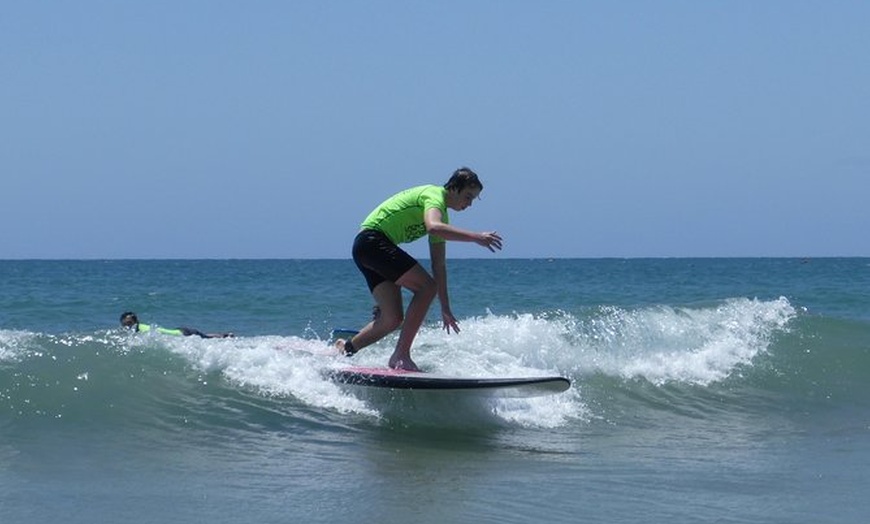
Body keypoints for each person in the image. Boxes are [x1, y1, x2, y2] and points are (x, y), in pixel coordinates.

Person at [335, 167, 503, 371]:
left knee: (392, 318)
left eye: (473, 200)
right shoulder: (434, 196)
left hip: (367, 249)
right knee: (425, 287)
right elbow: (432, 226)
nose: (469, 204)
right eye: (468, 197)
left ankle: (346, 348)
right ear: (454, 188)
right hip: (371, 241)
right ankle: (401, 355)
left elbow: (438, 265)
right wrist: (476, 237)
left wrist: (445, 307)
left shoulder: (444, 218)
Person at [120, 311, 233, 339]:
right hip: (180, 331)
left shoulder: (142, 328)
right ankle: (224, 335)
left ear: (135, 321)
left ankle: (225, 336)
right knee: (205, 337)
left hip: (183, 333)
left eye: (129, 324)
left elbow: (157, 334)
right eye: (124, 324)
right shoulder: (138, 329)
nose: (127, 327)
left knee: (207, 338)